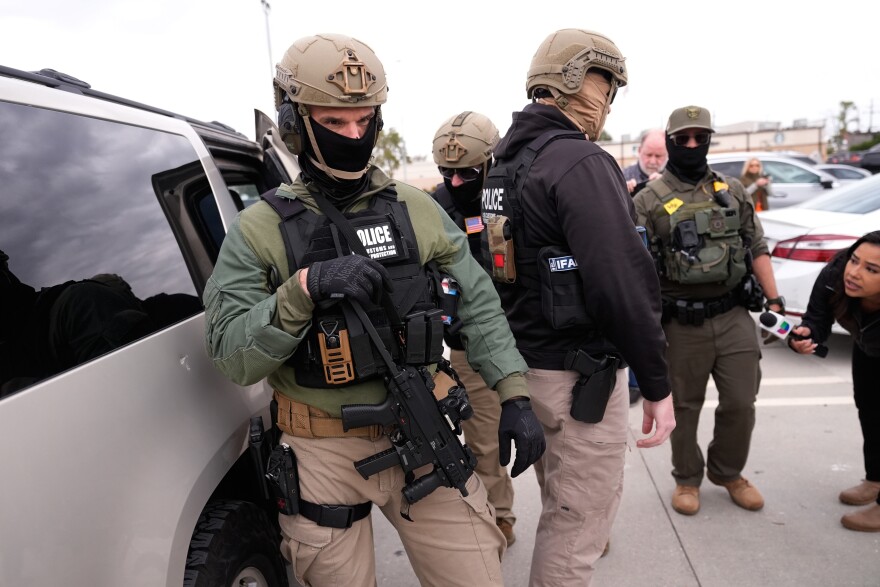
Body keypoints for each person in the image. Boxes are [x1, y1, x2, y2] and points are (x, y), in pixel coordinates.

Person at [203, 33, 545, 587]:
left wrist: (514, 393)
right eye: (335, 123)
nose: (354, 136)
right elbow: (232, 356)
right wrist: (302, 290)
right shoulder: (259, 230)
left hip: (424, 426)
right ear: (296, 125)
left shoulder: (416, 209)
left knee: (479, 573)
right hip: (321, 450)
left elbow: (478, 302)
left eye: (364, 120)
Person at [481, 28, 675, 585]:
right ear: (576, 81)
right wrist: (657, 385)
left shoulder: (505, 163)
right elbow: (621, 284)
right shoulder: (578, 161)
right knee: (578, 521)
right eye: (604, 84)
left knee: (559, 496)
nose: (608, 100)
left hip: (528, 370)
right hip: (577, 378)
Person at [633, 105, 784, 517]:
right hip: (681, 322)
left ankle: (727, 471)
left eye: (701, 138)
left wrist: (774, 300)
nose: (693, 145)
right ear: (670, 142)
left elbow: (756, 245)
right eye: (683, 139)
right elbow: (634, 267)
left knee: (740, 402)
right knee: (683, 406)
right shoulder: (646, 200)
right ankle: (686, 477)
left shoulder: (731, 189)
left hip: (734, 314)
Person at [430, 110, 518, 546]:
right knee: (485, 441)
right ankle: (500, 516)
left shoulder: (521, 194)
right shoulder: (433, 209)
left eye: (468, 173)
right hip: (471, 345)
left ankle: (570, 516)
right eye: (447, 173)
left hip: (532, 338)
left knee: (551, 435)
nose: (457, 183)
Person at [788, 230, 880, 532]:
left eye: (871, 269)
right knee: (868, 409)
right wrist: (806, 336)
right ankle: (875, 479)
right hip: (868, 345)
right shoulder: (835, 273)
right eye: (855, 260)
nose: (854, 273)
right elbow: (816, 318)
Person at [622, 128, 668, 404]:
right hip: (631, 264)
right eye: (649, 154)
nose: (652, 160)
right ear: (639, 152)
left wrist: (662, 188)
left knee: (655, 328)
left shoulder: (669, 179)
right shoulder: (621, 174)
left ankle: (647, 381)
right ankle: (633, 383)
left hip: (661, 264)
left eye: (659, 155)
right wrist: (622, 192)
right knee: (634, 325)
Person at [623, 128, 667, 195]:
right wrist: (621, 192)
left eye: (658, 156)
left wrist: (667, 184)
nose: (652, 162)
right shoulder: (623, 177)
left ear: (668, 154)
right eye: (648, 155)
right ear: (639, 150)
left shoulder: (675, 177)